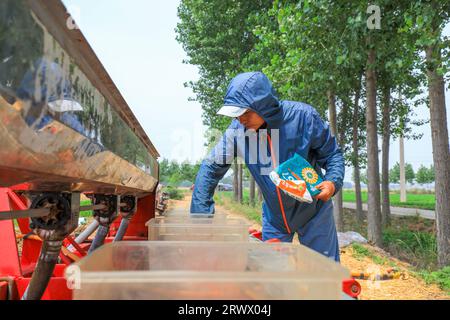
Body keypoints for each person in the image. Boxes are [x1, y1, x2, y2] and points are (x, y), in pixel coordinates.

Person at [191, 72, 345, 262]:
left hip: (314, 212)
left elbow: (332, 155)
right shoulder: (236, 132)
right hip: (275, 218)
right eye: (236, 114)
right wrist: (200, 222)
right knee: (272, 278)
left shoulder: (303, 118)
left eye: (245, 112)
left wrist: (332, 182)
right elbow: (210, 168)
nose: (240, 120)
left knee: (325, 273)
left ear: (262, 105)